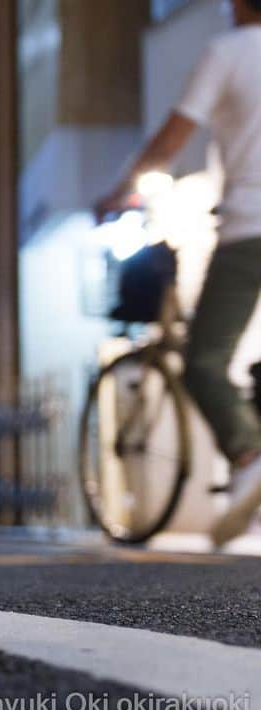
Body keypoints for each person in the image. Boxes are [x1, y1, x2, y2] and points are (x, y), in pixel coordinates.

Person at [95, 0, 261, 546]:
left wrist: (121, 192)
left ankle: (248, 452)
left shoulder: (229, 51)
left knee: (205, 361)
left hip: (249, 230)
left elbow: (174, 134)